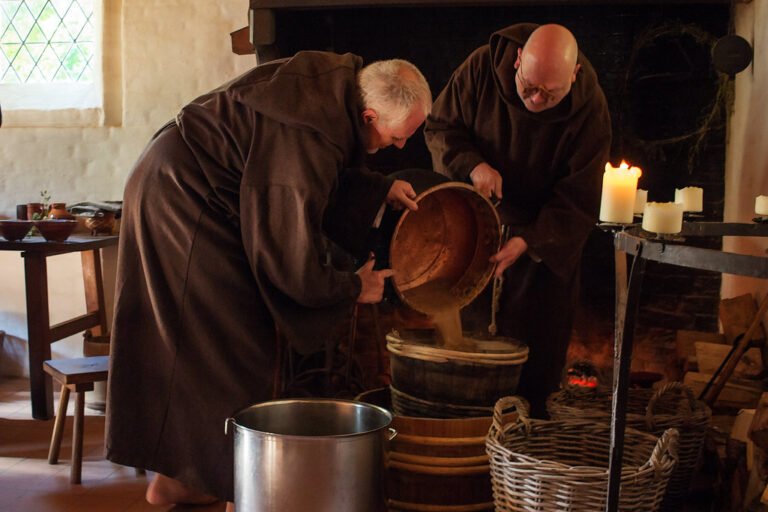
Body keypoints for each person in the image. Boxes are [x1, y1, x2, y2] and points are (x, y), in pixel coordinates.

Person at [105, 51, 432, 508]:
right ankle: (187, 480)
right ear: (369, 114)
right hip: (184, 201)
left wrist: (379, 188)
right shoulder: (308, 132)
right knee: (225, 342)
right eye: (397, 136)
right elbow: (290, 257)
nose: (399, 147)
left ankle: (188, 479)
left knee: (218, 343)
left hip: (191, 189)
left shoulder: (335, 87)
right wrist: (354, 287)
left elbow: (321, 177)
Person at [424, 23, 612, 418]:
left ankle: (526, 454)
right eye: (529, 86)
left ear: (573, 76)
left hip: (543, 236)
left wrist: (529, 240)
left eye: (551, 93)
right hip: (476, 221)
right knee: (465, 351)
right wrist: (473, 165)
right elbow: (441, 127)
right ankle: (465, 439)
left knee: (535, 357)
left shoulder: (590, 107)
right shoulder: (479, 69)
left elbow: (579, 196)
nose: (537, 98)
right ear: (515, 62)